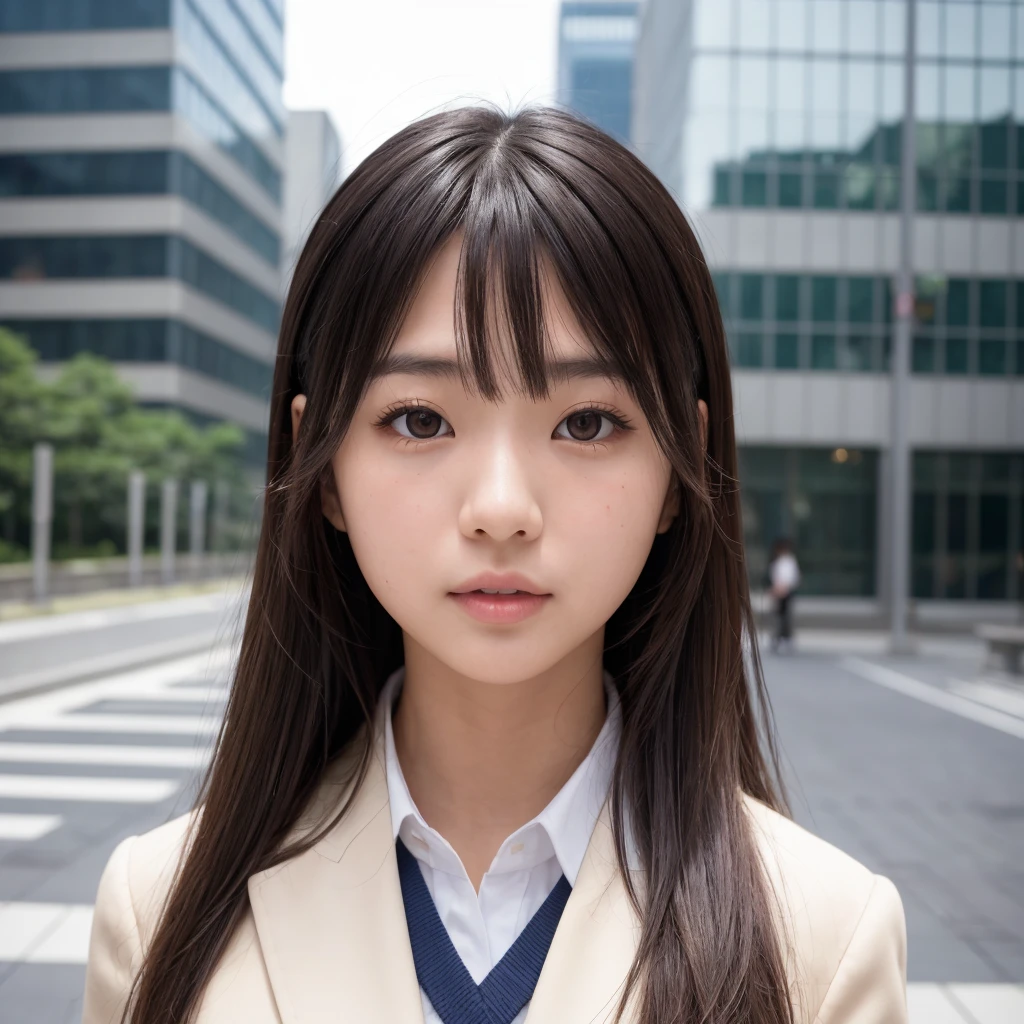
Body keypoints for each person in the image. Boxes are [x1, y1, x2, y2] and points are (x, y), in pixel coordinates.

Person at [83, 107, 905, 1024]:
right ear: (318, 465)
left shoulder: (822, 939)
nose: (503, 510)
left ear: (682, 467)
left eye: (586, 423)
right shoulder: (159, 910)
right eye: (421, 420)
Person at [768, 538, 801, 654]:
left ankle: (787, 638)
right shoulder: (776, 562)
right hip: (778, 592)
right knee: (777, 616)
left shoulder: (790, 562)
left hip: (787, 592)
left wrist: (785, 587)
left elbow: (793, 578)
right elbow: (774, 576)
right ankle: (776, 638)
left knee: (786, 616)